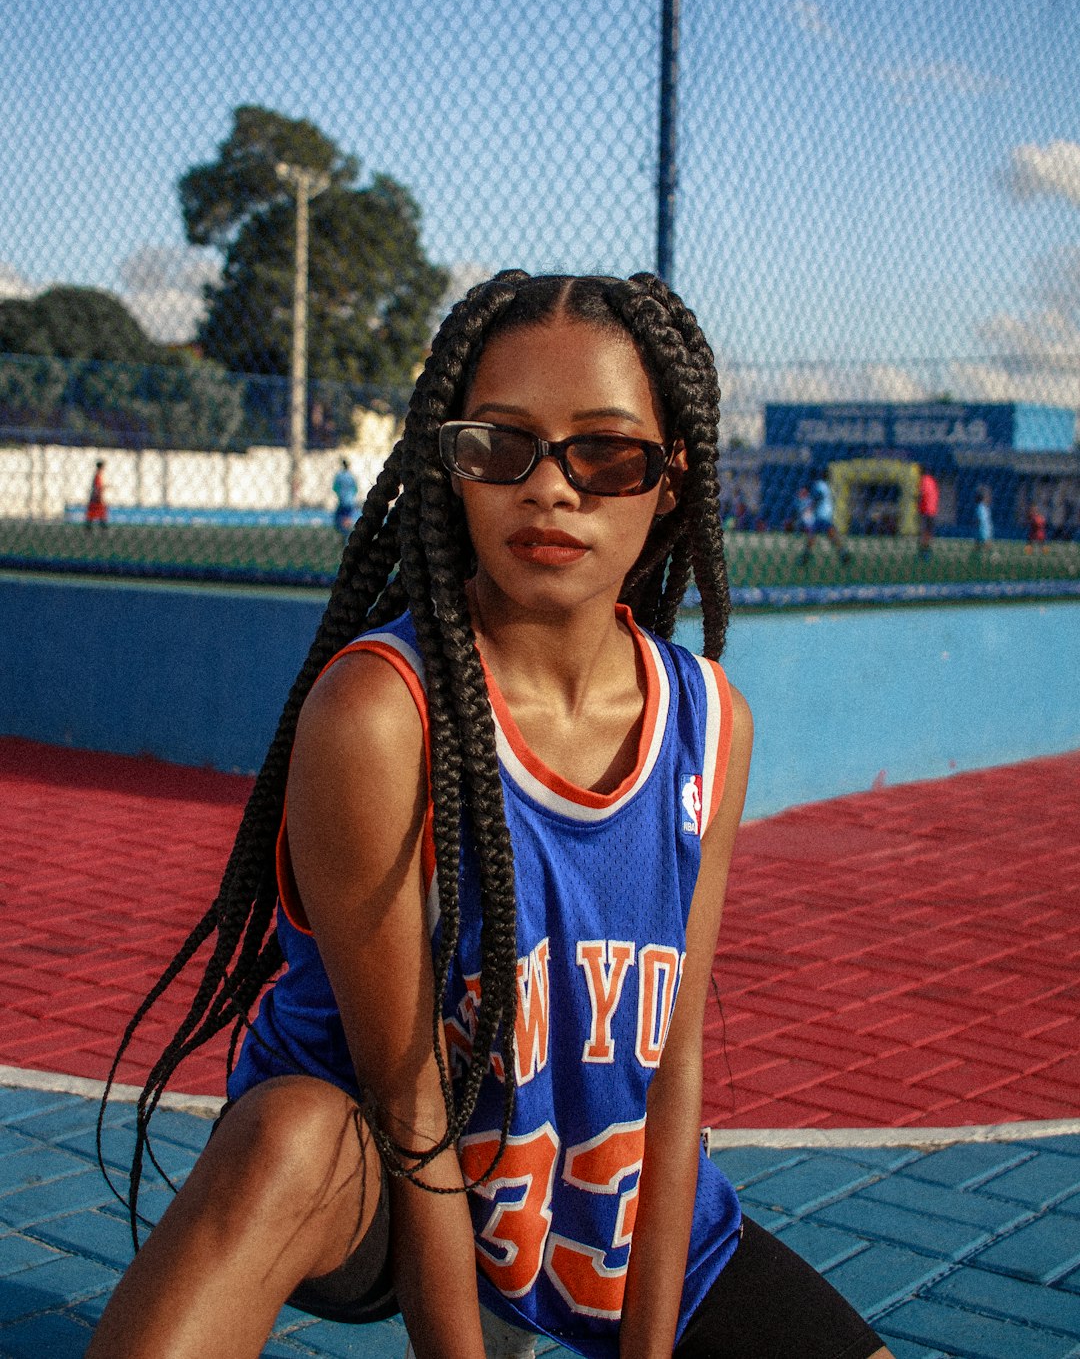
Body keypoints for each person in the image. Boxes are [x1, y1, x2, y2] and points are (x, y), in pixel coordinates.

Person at [87, 273, 891, 1359]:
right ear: (450, 470)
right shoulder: (381, 713)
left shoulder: (711, 722)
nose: (550, 488)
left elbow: (675, 1064)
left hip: (606, 1205)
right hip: (392, 1185)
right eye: (499, 445)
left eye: (605, 453)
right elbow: (413, 1110)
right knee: (283, 1135)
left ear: (670, 481)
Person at [798, 473, 851, 566]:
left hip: (820, 515)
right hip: (827, 514)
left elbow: (818, 496)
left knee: (813, 535)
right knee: (830, 535)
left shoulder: (819, 485)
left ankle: (805, 557)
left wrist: (812, 507)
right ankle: (843, 553)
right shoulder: (828, 486)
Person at [331, 454, 360, 538]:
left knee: (338, 519)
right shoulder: (351, 476)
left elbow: (335, 487)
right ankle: (347, 535)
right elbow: (355, 488)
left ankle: (345, 534)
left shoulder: (339, 475)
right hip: (350, 501)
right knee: (347, 518)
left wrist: (340, 494)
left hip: (342, 500)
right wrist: (351, 495)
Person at [917, 470, 939, 559]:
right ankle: (927, 551)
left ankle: (923, 552)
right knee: (929, 532)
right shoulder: (932, 480)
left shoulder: (923, 480)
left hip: (925, 510)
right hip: (932, 510)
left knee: (924, 532)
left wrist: (917, 503)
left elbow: (922, 494)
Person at [85, 459, 108, 529]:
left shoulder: (97, 475)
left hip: (95, 497)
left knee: (93, 512)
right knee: (100, 512)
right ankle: (102, 527)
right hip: (96, 497)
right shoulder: (98, 476)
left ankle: (89, 526)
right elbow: (98, 487)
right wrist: (99, 496)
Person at [975, 487, 993, 555]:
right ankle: (992, 556)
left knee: (982, 544)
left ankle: (992, 556)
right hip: (984, 529)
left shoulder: (983, 507)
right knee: (983, 543)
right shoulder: (982, 507)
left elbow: (982, 519)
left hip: (984, 529)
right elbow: (982, 518)